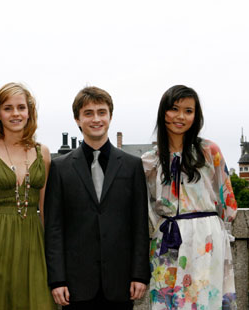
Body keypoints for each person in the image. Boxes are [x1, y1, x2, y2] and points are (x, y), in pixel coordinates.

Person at [44, 86, 150, 309]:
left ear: (110, 116)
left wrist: (139, 275)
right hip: (75, 285)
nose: (96, 119)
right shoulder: (60, 168)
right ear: (77, 119)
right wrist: (57, 279)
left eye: (102, 112)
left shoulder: (132, 166)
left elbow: (139, 224)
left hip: (121, 283)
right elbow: (54, 227)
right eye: (88, 113)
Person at [141, 85, 237, 309]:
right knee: (166, 300)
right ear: (163, 112)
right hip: (166, 239)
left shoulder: (209, 151)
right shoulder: (149, 161)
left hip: (206, 239)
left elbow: (227, 201)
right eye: (174, 109)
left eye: (188, 110)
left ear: (196, 115)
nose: (180, 116)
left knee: (204, 300)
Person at [0, 82, 56, 310]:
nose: (15, 113)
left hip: (34, 242)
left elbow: (46, 208)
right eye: (8, 108)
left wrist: (52, 254)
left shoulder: (42, 152)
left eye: (21, 107)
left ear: (29, 112)